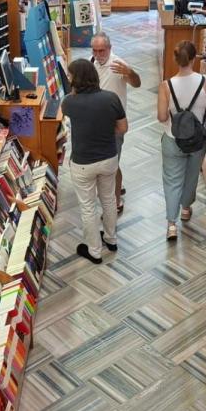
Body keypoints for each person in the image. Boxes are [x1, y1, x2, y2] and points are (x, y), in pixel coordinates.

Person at [62, 58, 128, 264]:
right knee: (108, 199)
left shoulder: (69, 102)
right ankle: (111, 238)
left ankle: (94, 250)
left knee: (88, 205)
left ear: (76, 79)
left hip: (83, 162)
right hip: (108, 158)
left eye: (70, 76)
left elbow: (65, 112)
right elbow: (123, 128)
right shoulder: (111, 98)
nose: (68, 79)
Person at [158, 40, 206, 240]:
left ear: (175, 60)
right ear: (194, 59)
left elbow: (162, 117)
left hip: (172, 139)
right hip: (197, 140)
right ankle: (185, 208)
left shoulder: (166, 86)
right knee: (191, 177)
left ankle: (171, 225)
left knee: (172, 181)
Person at [90, 32, 141, 214]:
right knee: (107, 163)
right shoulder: (91, 64)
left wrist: (130, 72)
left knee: (112, 163)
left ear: (110, 49)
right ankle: (115, 189)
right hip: (96, 125)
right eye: (95, 50)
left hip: (115, 125)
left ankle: (116, 200)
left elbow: (137, 83)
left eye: (101, 50)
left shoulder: (119, 65)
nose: (98, 55)